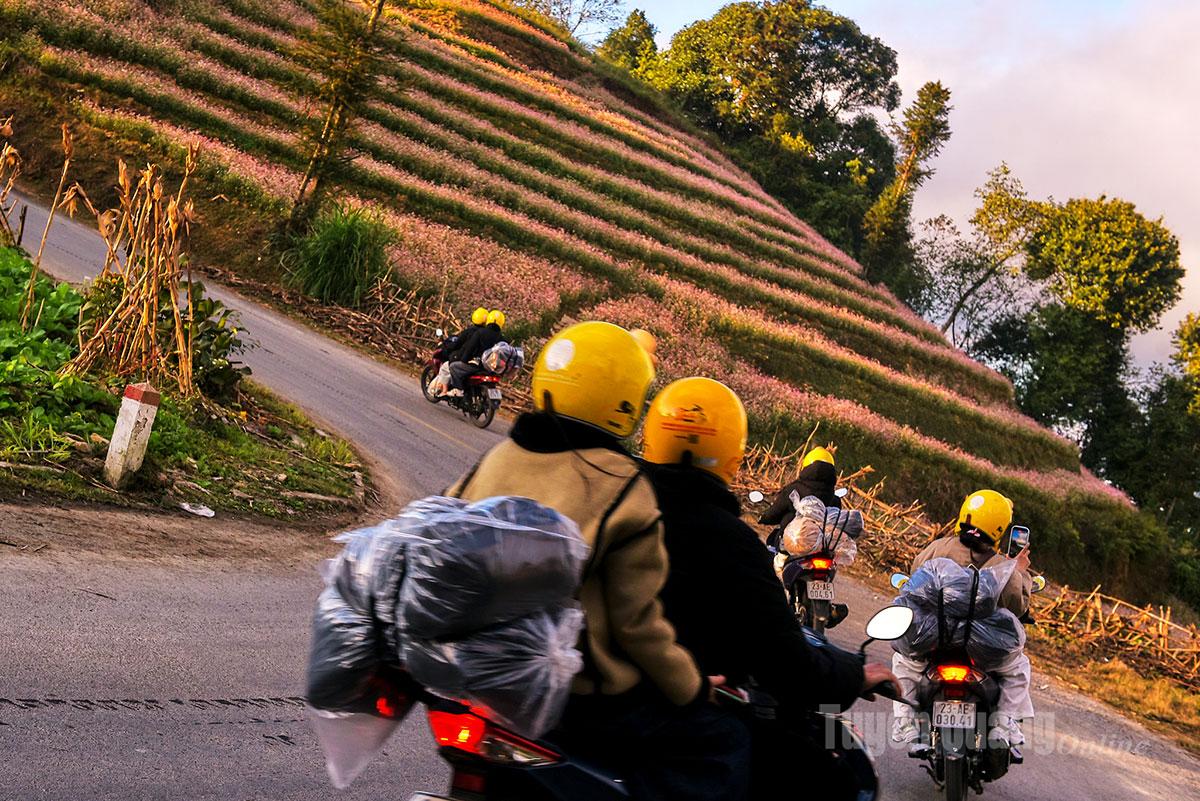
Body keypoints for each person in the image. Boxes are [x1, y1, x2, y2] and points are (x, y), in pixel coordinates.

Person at [446, 322, 751, 801]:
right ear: (627, 400)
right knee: (723, 742)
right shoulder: (624, 484)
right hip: (578, 695)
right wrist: (691, 687)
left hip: (476, 668)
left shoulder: (499, 456)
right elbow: (637, 624)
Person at [640, 377, 897, 799]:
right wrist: (850, 674)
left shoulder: (613, 503)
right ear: (731, 451)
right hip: (679, 711)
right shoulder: (731, 542)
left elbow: (773, 515)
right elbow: (782, 658)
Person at [890, 489, 1034, 750]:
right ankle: (1003, 724)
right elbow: (1019, 605)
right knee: (1018, 668)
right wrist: (1020, 570)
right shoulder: (1003, 566)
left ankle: (905, 722)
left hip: (935, 639)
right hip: (983, 649)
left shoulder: (936, 549)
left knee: (904, 662)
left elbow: (914, 579)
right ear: (1000, 528)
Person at [759, 445, 841, 543]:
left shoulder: (793, 490)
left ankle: (781, 557)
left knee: (776, 551)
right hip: (819, 546)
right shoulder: (834, 499)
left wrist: (764, 518)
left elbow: (776, 511)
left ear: (805, 467)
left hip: (791, 543)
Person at [444, 309, 505, 396]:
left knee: (454, 367)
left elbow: (470, 348)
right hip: (491, 369)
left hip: (477, 365)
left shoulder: (479, 333)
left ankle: (458, 389)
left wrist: (464, 359)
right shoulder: (502, 339)